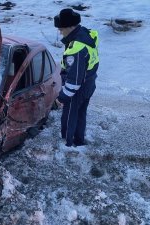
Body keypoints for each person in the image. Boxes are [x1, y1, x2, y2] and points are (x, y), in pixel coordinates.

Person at [54, 8, 99, 147]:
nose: (60, 31)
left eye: (61, 28)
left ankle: (67, 144)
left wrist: (62, 96)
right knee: (80, 113)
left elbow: (74, 81)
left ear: (69, 27)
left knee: (69, 116)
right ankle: (79, 141)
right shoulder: (85, 34)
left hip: (78, 88)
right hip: (89, 83)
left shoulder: (77, 48)